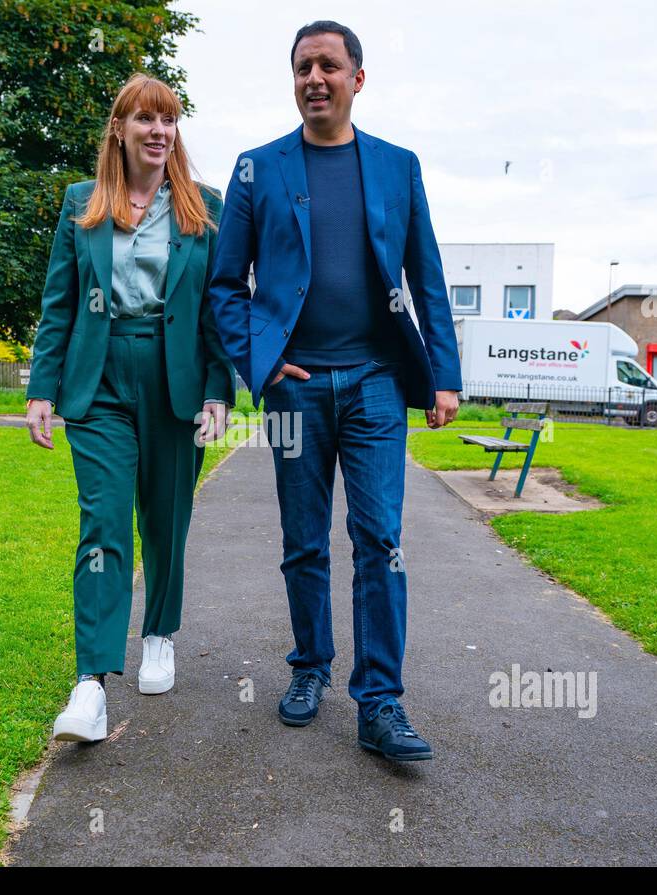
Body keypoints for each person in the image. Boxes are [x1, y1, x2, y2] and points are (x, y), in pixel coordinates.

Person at [209, 21, 463, 762]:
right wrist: (262, 363)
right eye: (302, 67)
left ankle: (380, 702)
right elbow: (225, 286)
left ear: (358, 77)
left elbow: (426, 275)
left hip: (377, 383)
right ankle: (309, 666)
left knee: (380, 540)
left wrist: (444, 374)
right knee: (303, 540)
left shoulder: (396, 166)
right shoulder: (257, 169)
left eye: (328, 65)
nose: (314, 78)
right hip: (295, 391)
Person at [25, 73, 234, 743]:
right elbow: (60, 301)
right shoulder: (81, 202)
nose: (158, 131)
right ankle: (90, 683)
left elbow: (217, 308)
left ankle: (160, 633)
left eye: (168, 120)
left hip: (176, 380)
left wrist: (218, 390)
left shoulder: (205, 205)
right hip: (99, 381)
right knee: (104, 522)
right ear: (119, 129)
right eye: (145, 118)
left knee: (166, 519)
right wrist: (42, 388)